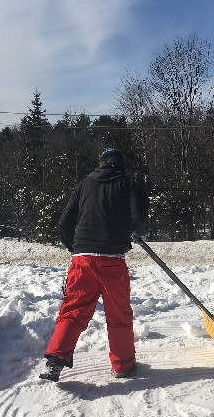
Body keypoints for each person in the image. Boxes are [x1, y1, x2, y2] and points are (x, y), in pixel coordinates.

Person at [40, 148, 148, 382]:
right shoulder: (129, 184)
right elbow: (139, 219)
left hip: (82, 260)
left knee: (72, 311)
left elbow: (63, 223)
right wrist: (135, 234)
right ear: (121, 165)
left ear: (101, 163)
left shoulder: (83, 185)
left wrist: (75, 247)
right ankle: (122, 366)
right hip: (112, 260)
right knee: (118, 315)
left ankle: (54, 361)